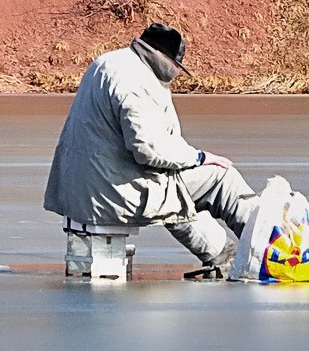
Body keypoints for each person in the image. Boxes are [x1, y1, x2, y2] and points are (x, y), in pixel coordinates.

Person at [43, 23, 256, 274]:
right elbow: (148, 150)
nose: (177, 72)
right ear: (165, 58)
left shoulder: (110, 62)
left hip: (83, 189)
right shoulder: (136, 81)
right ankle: (270, 248)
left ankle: (222, 255)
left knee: (172, 189)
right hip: (114, 192)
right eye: (177, 66)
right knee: (222, 178)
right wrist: (200, 157)